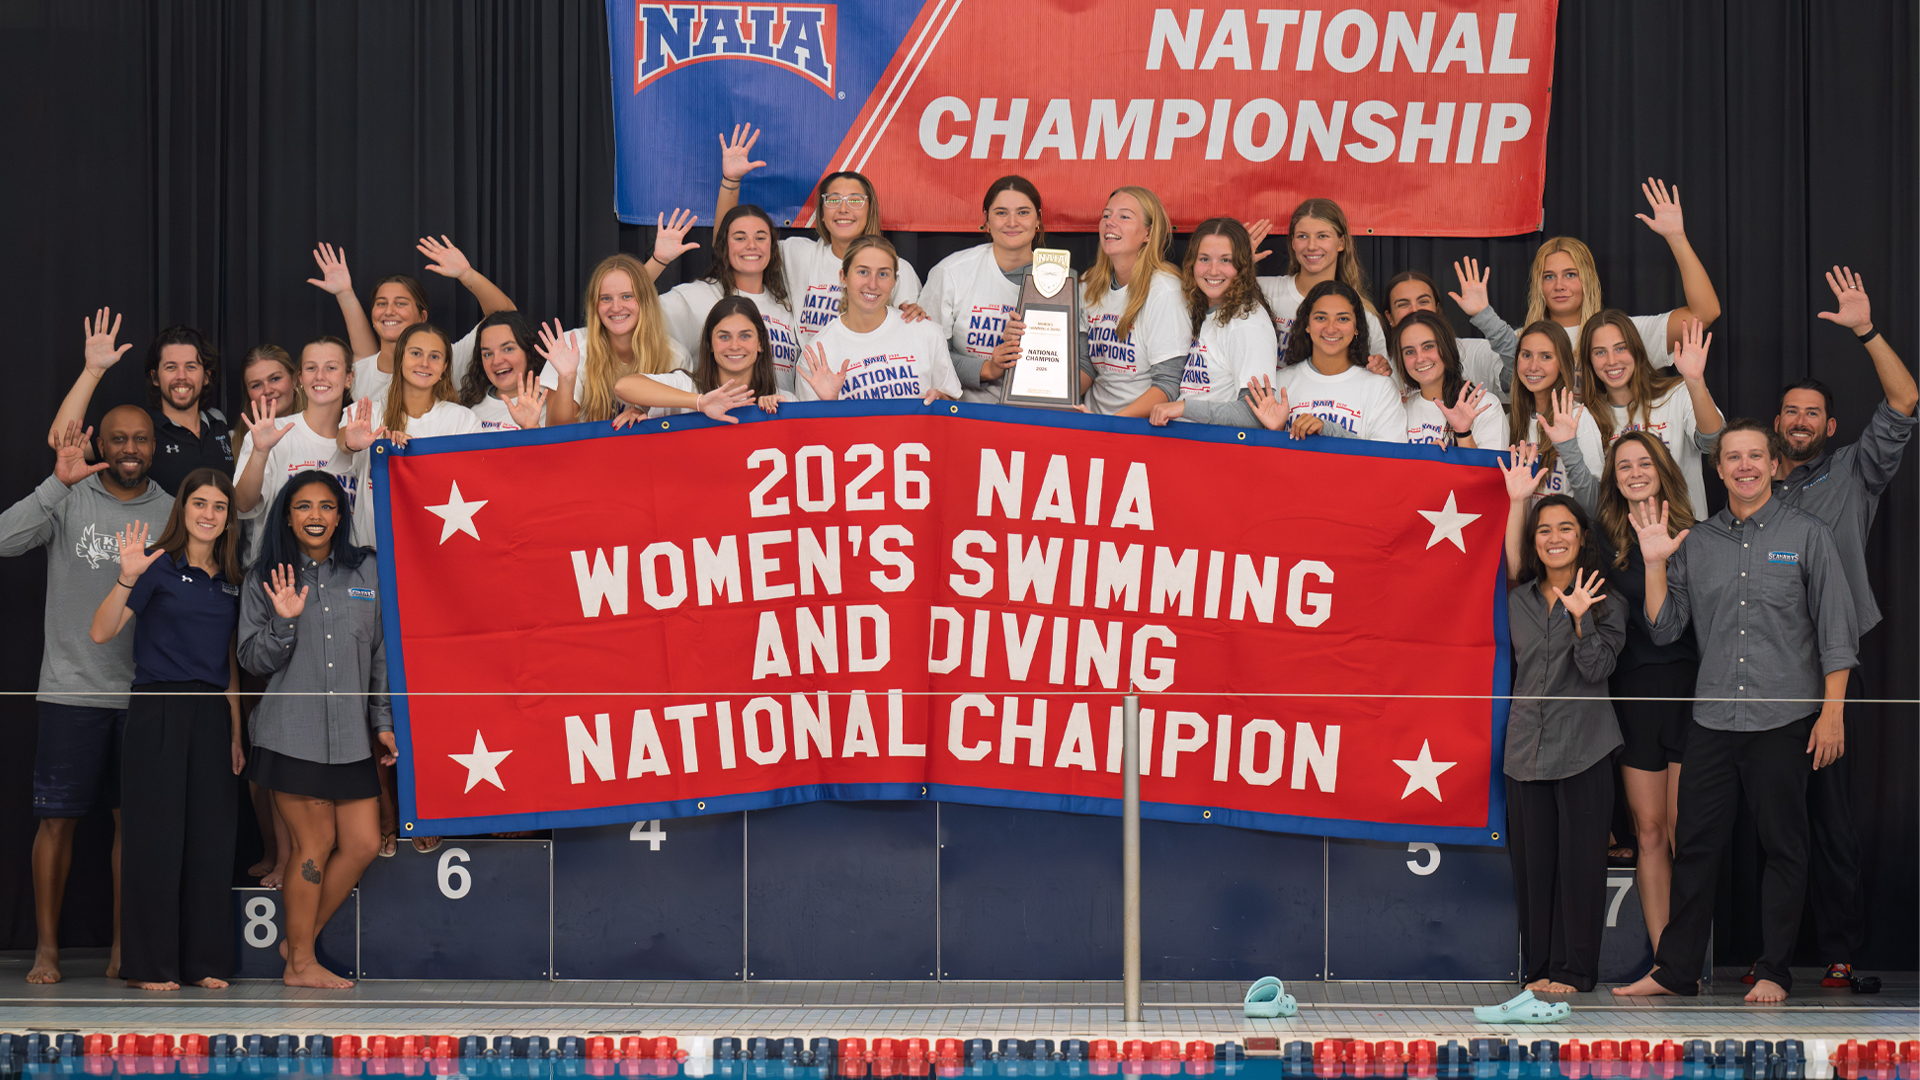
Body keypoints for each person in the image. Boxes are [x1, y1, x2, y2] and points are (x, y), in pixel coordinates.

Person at [1614, 420, 1858, 1004]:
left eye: (1755, 456)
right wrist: (1653, 564)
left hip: (1785, 722)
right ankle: (1675, 971)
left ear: (1773, 465)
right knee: (1695, 847)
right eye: (1732, 458)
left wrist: (1832, 714)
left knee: (1784, 846)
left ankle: (1774, 970)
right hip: (1713, 721)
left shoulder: (1809, 535)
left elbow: (1838, 633)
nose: (1744, 466)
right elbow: (1665, 626)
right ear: (1717, 470)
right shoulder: (1696, 543)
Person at [1764, 266, 1918, 992]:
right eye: (1788, 411)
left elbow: (1906, 399)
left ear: (1828, 426)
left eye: (1810, 414)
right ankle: (1767, 962)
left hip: (1829, 667)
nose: (1798, 421)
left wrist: (1866, 329)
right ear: (1775, 423)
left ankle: (1839, 956)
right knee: (1768, 823)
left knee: (1830, 821)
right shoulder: (1753, 479)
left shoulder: (1856, 470)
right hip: (1758, 667)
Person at [0, 410, 173, 983]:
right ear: (100, 442)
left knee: (134, 827)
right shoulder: (69, 497)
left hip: (143, 696)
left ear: (154, 446)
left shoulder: (172, 510)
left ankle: (125, 948)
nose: (130, 448)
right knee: (56, 825)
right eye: (119, 438)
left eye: (140, 439)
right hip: (69, 691)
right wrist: (56, 483)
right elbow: (4, 539)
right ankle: (46, 949)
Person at [87, 469, 243, 991]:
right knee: (154, 839)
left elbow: (228, 664)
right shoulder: (154, 565)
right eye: (200, 502)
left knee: (210, 840)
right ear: (183, 507)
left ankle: (202, 961)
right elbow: (101, 630)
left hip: (211, 714)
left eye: (219, 506)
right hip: (156, 707)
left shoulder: (231, 578)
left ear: (227, 518)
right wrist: (128, 575)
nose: (209, 514)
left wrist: (236, 733)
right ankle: (150, 965)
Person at [239, 471, 395, 989]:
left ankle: (298, 941)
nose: (315, 516)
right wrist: (283, 622)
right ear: (287, 514)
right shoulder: (265, 576)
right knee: (315, 843)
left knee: (364, 842)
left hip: (350, 735)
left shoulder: (367, 571)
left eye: (326, 507)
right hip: (291, 733)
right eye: (303, 506)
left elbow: (379, 656)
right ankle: (300, 964)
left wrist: (383, 723)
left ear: (340, 515)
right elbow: (252, 659)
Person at [1497, 450, 1625, 994]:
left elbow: (1597, 669)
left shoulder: (1606, 602)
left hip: (1585, 751)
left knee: (1579, 870)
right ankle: (1541, 970)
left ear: (1581, 537)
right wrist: (1518, 501)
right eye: (1544, 529)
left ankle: (1574, 972)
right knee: (1534, 870)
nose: (1553, 537)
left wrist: (1580, 622)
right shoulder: (1518, 597)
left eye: (1565, 528)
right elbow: (1510, 553)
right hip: (1525, 751)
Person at [1596, 432, 1699, 951]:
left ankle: (1687, 958)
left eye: (1644, 463)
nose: (1635, 473)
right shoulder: (1603, 539)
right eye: (1623, 467)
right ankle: (1665, 959)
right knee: (1650, 832)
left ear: (1662, 469)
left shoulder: (1695, 535)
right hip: (1633, 698)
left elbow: (1672, 629)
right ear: (1612, 480)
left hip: (1688, 697)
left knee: (1686, 832)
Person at [713, 123, 922, 347]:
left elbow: (912, 337)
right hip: (808, 378)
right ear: (821, 214)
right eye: (833, 200)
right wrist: (731, 181)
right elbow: (728, 244)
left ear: (869, 210)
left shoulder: (897, 269)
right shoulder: (798, 254)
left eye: (854, 200)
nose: (843, 209)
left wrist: (916, 315)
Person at [1525, 179, 1722, 372]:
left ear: (1588, 280)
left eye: (1570, 275)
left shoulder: (1624, 334)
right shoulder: (1518, 343)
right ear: (1538, 285)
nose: (1559, 285)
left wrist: (1677, 238)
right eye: (1549, 276)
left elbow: (1704, 314)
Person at [311, 238, 516, 405]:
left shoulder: (450, 359)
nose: (389, 311)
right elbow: (367, 357)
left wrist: (466, 274)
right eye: (381, 304)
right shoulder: (359, 373)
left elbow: (505, 316)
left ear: (422, 317)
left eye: (401, 304)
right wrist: (345, 295)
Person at [49, 315, 234, 496]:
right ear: (155, 377)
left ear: (206, 377)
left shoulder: (219, 421)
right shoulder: (141, 428)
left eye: (191, 366)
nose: (181, 376)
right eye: (171, 367)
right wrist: (92, 371)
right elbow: (60, 439)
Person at [920, 176, 1047, 405]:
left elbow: (1078, 361)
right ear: (986, 221)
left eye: (1023, 212)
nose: (1012, 222)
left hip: (1039, 417)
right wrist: (987, 369)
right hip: (970, 416)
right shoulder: (951, 272)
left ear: (1038, 219)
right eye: (1001, 212)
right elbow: (930, 356)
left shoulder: (1061, 280)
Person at [1582, 313, 1723, 517]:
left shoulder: (1677, 393)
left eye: (1621, 348)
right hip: (1622, 543)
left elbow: (1715, 444)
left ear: (1637, 350)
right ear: (1589, 361)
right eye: (1600, 352)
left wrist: (1696, 381)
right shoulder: (1586, 417)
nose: (1612, 360)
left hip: (1685, 537)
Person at [1142, 218, 1277, 425]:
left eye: (1226, 260)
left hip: (1217, 451)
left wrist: (1185, 408)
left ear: (1242, 265)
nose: (1213, 271)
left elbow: (1255, 415)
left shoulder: (1248, 322)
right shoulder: (1201, 310)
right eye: (1204, 259)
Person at [653, 204, 803, 391]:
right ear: (725, 245)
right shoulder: (697, 296)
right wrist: (658, 260)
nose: (751, 245)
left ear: (772, 246)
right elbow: (633, 307)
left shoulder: (786, 306)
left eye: (760, 237)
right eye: (740, 238)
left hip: (777, 416)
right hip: (718, 416)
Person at [796, 236, 960, 403]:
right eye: (863, 272)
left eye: (883, 274)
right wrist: (831, 403)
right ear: (843, 277)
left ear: (895, 281)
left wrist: (942, 400)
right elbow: (811, 427)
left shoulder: (928, 334)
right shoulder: (816, 356)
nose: (872, 284)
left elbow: (953, 410)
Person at [539, 253, 688, 425]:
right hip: (588, 450)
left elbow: (680, 431)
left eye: (627, 296)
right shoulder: (571, 347)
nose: (616, 307)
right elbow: (556, 430)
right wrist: (567, 379)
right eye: (606, 298)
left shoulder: (676, 356)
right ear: (595, 305)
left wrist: (648, 413)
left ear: (646, 301)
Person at [1079, 186, 1188, 416]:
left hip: (1138, 431)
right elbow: (1086, 366)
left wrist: (1110, 427)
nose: (1110, 222)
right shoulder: (1087, 284)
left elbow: (1167, 385)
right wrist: (1051, 398)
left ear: (1148, 233)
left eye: (1124, 216)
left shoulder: (1165, 291)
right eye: (1106, 215)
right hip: (1090, 422)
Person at [1247, 198, 1387, 368]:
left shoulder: (1362, 314)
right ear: (1292, 243)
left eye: (1322, 236)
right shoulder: (1261, 290)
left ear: (1341, 243)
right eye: (1302, 236)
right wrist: (1235, 267)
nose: (1312, 246)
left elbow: (1381, 375)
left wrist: (1380, 368)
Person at [614, 296, 788, 420]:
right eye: (724, 337)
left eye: (745, 336)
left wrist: (784, 411)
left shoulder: (781, 399)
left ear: (760, 344)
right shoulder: (687, 386)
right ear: (710, 344)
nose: (735, 346)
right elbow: (624, 387)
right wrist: (699, 403)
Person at [1383, 262, 1519, 401]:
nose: (1415, 310)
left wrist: (1484, 315)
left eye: (1423, 301)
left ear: (1437, 309)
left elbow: (1520, 376)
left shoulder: (1471, 352)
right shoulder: (1381, 365)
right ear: (1390, 317)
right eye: (1403, 304)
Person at [1508, 321, 1603, 511]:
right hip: (1520, 538)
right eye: (1526, 355)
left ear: (1563, 363)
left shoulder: (1578, 418)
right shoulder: (1511, 419)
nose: (1533, 366)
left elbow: (1594, 505)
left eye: (1546, 357)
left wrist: (1568, 447)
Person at [1391, 310, 1506, 448]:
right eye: (1409, 352)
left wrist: (1463, 434)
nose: (1420, 358)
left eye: (1428, 346)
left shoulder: (1485, 405)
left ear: (1447, 347)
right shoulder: (1398, 410)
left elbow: (1488, 469)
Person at [459, 312, 550, 431]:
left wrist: (531, 428)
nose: (496, 361)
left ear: (529, 351)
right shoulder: (468, 407)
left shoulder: (549, 406)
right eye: (488, 354)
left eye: (508, 349)